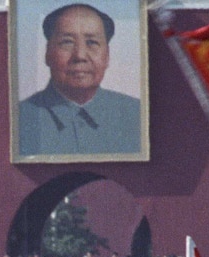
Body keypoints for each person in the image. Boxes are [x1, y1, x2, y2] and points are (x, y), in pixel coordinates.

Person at [18, 3, 140, 156]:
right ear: (47, 53)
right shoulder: (20, 119)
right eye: (67, 42)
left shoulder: (137, 116)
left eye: (92, 43)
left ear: (107, 55)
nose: (80, 56)